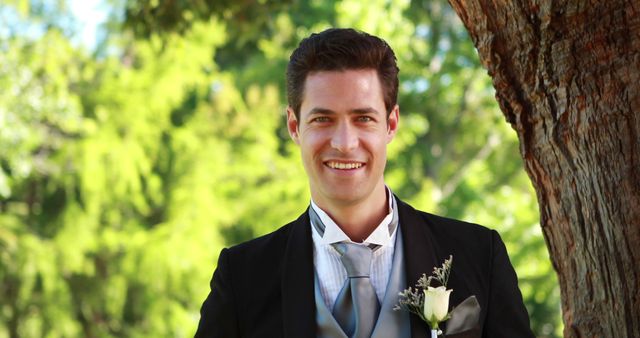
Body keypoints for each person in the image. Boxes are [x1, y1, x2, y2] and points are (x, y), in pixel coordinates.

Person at [195, 28, 534, 338]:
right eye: (323, 119)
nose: (344, 142)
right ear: (295, 127)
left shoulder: (478, 256)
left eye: (363, 118)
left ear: (391, 124)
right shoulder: (242, 277)